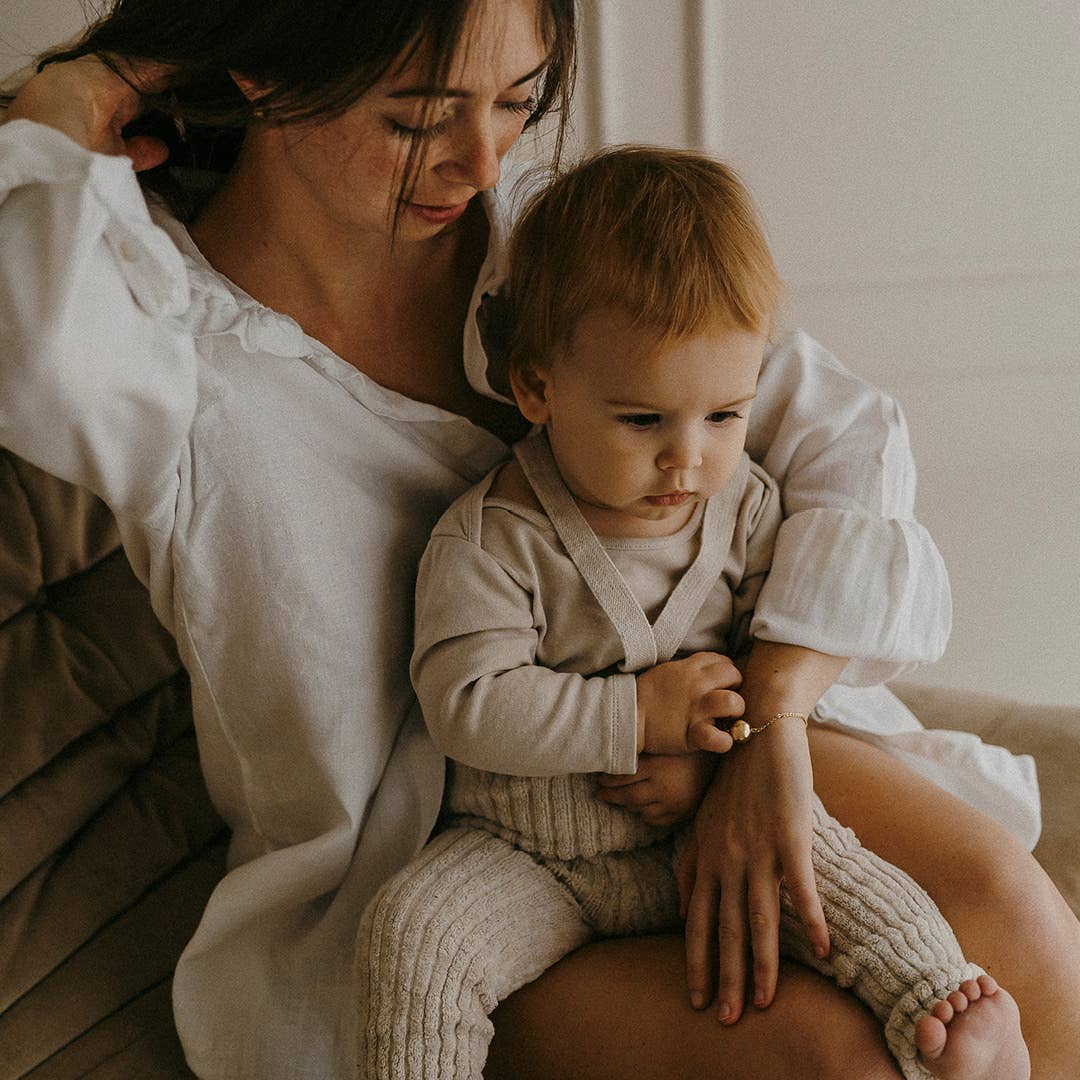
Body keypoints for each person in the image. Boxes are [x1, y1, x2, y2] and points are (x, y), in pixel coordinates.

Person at [0, 1, 1076, 1077]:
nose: (480, 160)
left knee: (1019, 923)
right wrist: (64, 107)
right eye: (419, 117)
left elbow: (843, 430)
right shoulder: (171, 359)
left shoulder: (555, 242)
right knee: (832, 1058)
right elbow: (33, 356)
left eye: (516, 102)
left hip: (716, 730)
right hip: (458, 860)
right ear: (260, 74)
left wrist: (777, 724)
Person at [355, 145, 1027, 1080]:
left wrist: (718, 756)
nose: (687, 461)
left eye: (724, 416)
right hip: (535, 856)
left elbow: (760, 655)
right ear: (538, 387)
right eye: (643, 423)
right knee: (411, 936)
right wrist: (637, 719)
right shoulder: (492, 541)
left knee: (835, 870)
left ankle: (942, 1004)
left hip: (702, 826)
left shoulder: (744, 507)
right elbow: (469, 702)